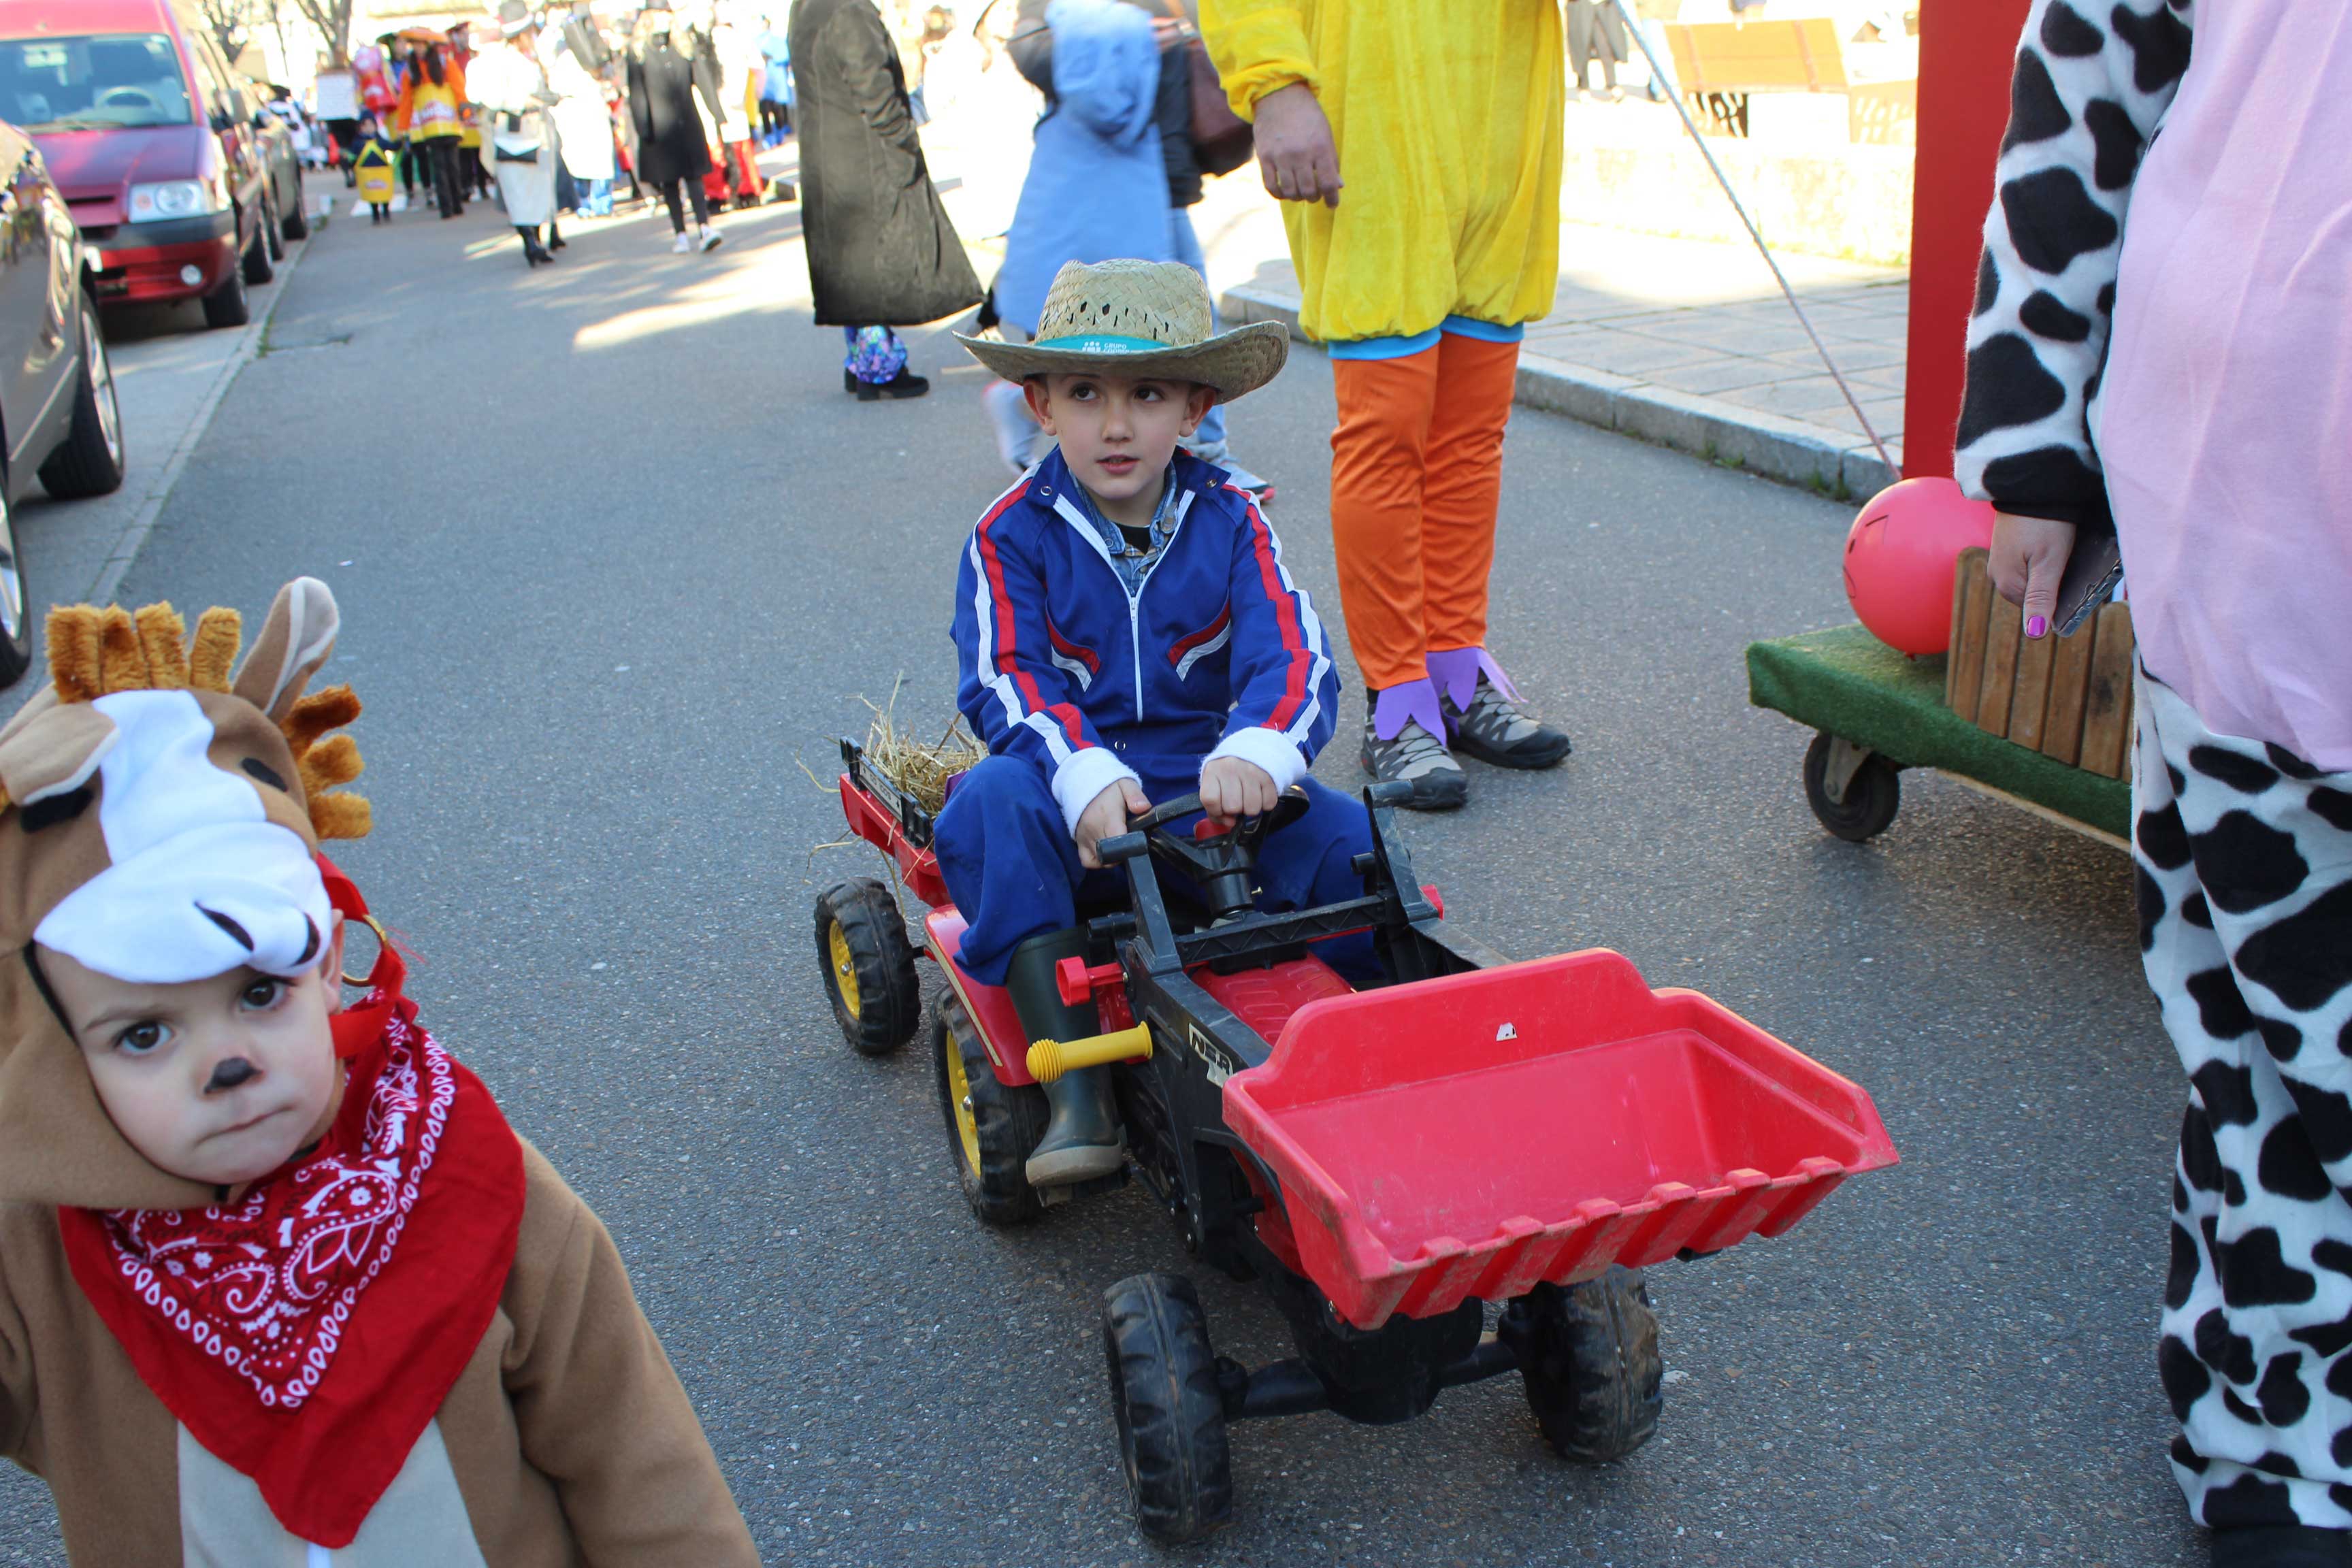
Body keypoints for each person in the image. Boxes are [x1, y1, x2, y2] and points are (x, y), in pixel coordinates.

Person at [0, 578, 760, 1563]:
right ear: (58, 1051)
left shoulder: (471, 1179)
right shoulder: (48, 1255)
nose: (225, 1063)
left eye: (259, 994)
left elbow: (636, 1457)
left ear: (324, 964)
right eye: (144, 1036)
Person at [1957, 5, 2352, 1565]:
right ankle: (2268, 1436)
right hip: (2256, 521)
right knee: (2276, 1057)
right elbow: (2083, 79)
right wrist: (2032, 444)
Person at [941, 259, 1367, 1185]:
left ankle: (1391, 1040)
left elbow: (1293, 650)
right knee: (988, 805)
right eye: (1086, 394)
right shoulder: (1010, 534)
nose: (1118, 423)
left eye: (1149, 394)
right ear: (1042, 406)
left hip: (1211, 794)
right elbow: (1004, 678)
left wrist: (1260, 745)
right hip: (1079, 806)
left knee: (1347, 839)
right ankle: (1078, 1090)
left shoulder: (1233, 520)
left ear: (1196, 410)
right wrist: (1084, 776)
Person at [1200, 1, 1574, 811]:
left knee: (1472, 436)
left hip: (1504, 105)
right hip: (1373, 97)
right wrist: (1275, 85)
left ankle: (1456, 670)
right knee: (1388, 432)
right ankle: (1399, 699)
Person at [998, 0, 1270, 491]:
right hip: (1129, 182)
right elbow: (1030, 46)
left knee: (1176, 329)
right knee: (1157, 330)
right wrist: (1126, 38)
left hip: (1146, 178)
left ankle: (1203, 455)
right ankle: (1203, 456)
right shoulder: (1103, 18)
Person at [790, 0, 984, 399]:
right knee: (870, 269)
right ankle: (877, 369)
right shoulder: (849, 11)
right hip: (865, 160)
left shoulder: (809, 7)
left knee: (853, 269)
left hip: (830, 157)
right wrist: (905, 145)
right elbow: (875, 91)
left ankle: (862, 361)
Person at [469, 1, 566, 266]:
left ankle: (538, 241)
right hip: (514, 134)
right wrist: (525, 101)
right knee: (519, 192)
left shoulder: (530, 58)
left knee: (536, 191)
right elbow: (491, 96)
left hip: (536, 131)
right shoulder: (500, 61)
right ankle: (529, 242)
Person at [627, 4, 726, 252]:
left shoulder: (683, 46)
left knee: (694, 176)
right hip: (660, 127)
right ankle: (680, 232)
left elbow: (702, 80)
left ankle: (704, 227)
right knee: (669, 182)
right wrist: (644, 128)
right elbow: (637, 95)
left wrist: (717, 113)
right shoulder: (639, 52)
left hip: (687, 122)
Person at [549, 14, 617, 217]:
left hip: (591, 111)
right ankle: (586, 201)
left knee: (597, 160)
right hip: (576, 114)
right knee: (582, 161)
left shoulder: (593, 56)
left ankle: (597, 200)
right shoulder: (565, 59)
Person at [394, 39, 468, 218]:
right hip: (430, 125)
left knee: (452, 165)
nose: (418, 48)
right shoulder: (411, 71)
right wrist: (403, 126)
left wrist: (465, 111)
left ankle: (456, 202)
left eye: (421, 45)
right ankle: (446, 207)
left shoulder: (444, 63)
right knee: (439, 165)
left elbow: (459, 89)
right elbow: (406, 101)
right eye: (415, 45)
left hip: (449, 122)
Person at [1565, 0, 1627, 101]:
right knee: (1582, 45)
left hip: (1602, 4)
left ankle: (1612, 84)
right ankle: (1583, 86)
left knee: (1605, 46)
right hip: (1580, 4)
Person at [352, 112, 399, 221]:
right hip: (368, 173)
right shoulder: (358, 143)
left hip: (381, 171)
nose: (368, 128)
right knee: (372, 195)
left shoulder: (380, 141)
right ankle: (375, 214)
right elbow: (352, 155)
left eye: (371, 125)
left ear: (375, 126)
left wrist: (400, 139)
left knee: (384, 194)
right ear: (360, 128)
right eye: (365, 125)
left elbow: (393, 147)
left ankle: (386, 211)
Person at [754, 14, 792, 142]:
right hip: (763, 82)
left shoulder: (777, 40)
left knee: (778, 109)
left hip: (776, 79)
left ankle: (780, 133)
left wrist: (771, 57)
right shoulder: (756, 41)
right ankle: (769, 135)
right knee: (764, 109)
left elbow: (785, 57)